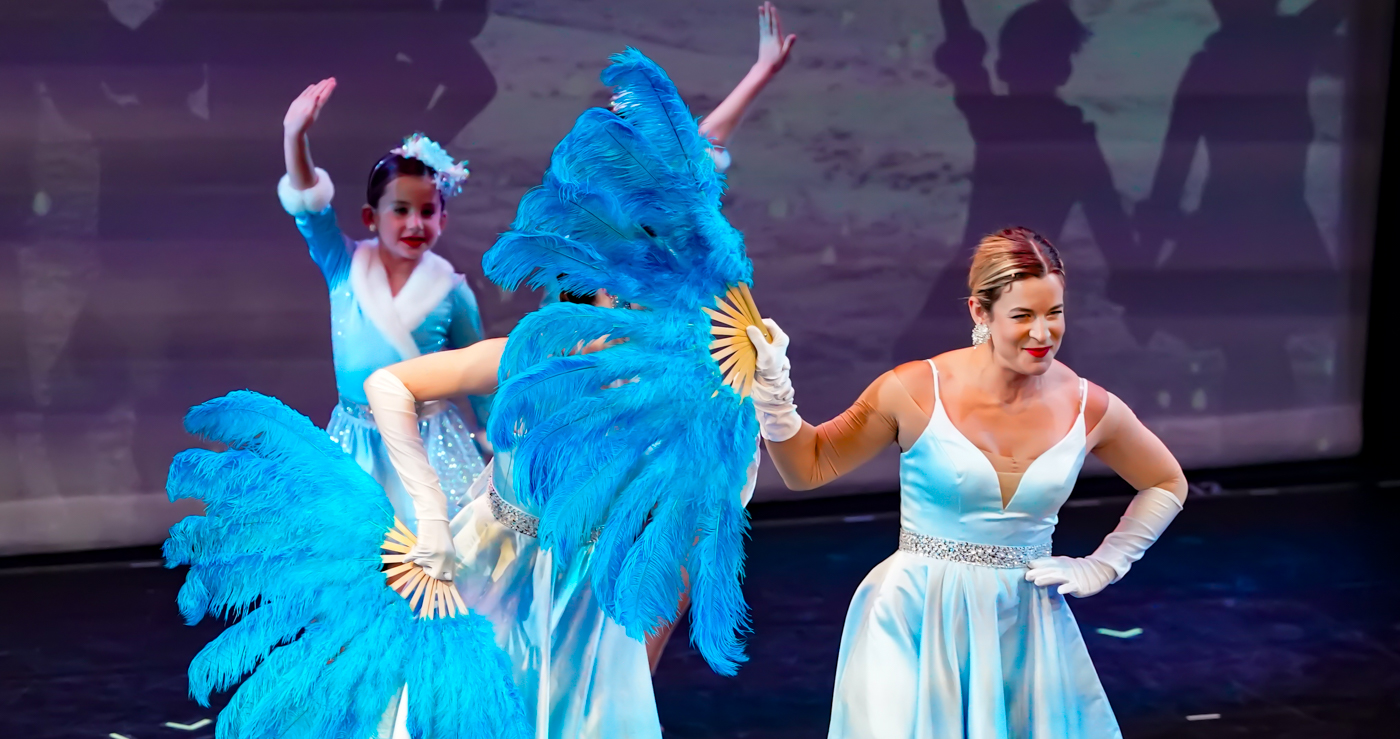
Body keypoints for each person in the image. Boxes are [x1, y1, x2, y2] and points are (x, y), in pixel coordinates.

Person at [748, 227, 1188, 737]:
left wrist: (1105, 564)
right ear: (980, 312)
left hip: (1021, 624)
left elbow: (1165, 481)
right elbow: (808, 468)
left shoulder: (1089, 405)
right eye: (1022, 316)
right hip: (913, 617)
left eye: (1054, 313)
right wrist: (775, 394)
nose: (1042, 333)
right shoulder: (914, 389)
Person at [279, 78, 493, 527]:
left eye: (427, 211)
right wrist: (295, 135)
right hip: (356, 443)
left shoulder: (451, 290)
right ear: (370, 217)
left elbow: (479, 376)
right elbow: (310, 210)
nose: (414, 223)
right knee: (355, 548)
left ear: (443, 219)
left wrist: (499, 444)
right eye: (400, 210)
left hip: (431, 445)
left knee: (436, 547)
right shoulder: (344, 266)